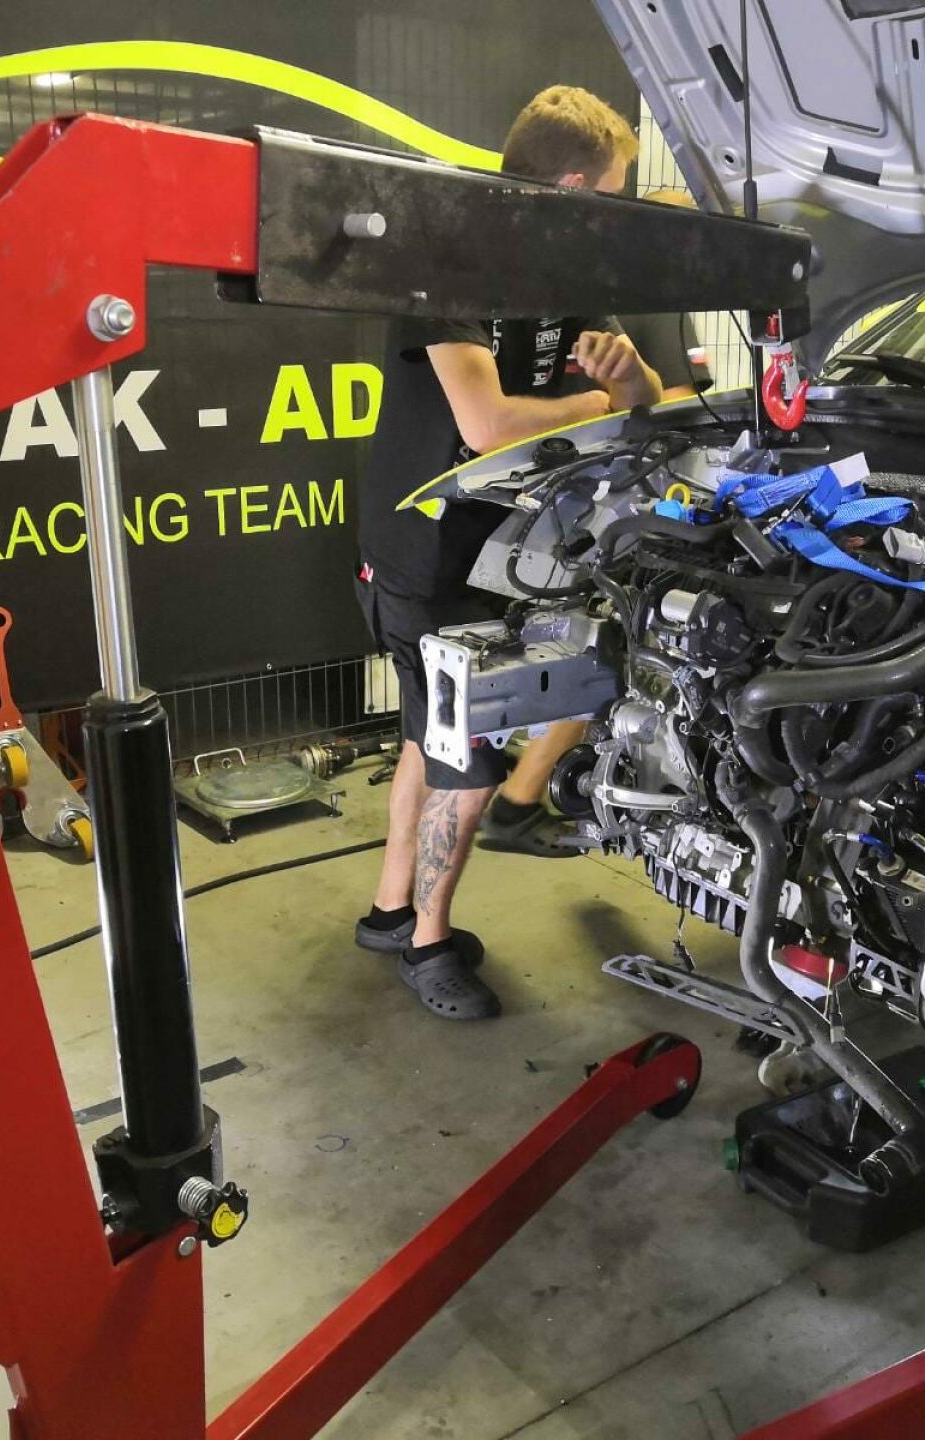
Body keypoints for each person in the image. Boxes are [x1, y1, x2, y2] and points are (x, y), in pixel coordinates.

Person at [353, 86, 662, 1021]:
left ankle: (390, 912)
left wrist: (628, 381)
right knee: (465, 761)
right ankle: (429, 942)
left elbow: (647, 394)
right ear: (570, 187)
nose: (613, 213)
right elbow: (485, 424)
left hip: (505, 556)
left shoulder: (570, 283)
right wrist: (595, 403)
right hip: (424, 557)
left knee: (428, 737)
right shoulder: (447, 274)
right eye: (610, 194)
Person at [477, 188, 716, 859]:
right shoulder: (647, 304)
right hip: (625, 507)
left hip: (586, 503)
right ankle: (520, 800)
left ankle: (521, 796)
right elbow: (676, 402)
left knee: (601, 647)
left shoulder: (603, 297)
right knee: (613, 647)